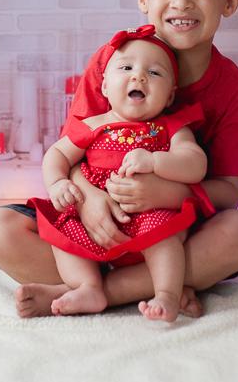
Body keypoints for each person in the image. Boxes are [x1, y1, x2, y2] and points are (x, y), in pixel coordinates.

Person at [0, 0, 238, 318]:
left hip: (173, 230)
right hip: (88, 219)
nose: (181, 2)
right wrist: (90, 199)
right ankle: (165, 285)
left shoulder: (237, 93)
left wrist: (168, 195)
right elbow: (72, 150)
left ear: (229, 1)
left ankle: (95, 292)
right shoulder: (112, 64)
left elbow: (229, 194)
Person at [29, 27, 208, 321]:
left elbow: (195, 164)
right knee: (63, 235)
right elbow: (57, 154)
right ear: (105, 88)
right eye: (125, 68)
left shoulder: (171, 127)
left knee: (167, 241)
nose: (138, 77)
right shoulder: (92, 125)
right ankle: (88, 287)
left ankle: (167, 294)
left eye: (155, 73)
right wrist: (58, 182)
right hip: (94, 219)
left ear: (170, 96)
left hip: (151, 217)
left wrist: (155, 161)